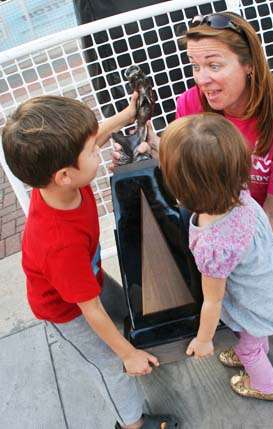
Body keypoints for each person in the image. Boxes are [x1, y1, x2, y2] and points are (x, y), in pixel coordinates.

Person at [111, 10, 273, 310]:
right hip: (212, 206)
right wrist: (149, 148)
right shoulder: (191, 102)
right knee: (198, 280)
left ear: (248, 65)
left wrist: (243, 262)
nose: (202, 79)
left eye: (214, 65)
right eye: (195, 66)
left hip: (266, 212)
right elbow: (183, 167)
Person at [2, 95, 178, 429]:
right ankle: (132, 423)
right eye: (92, 152)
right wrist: (126, 354)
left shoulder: (57, 180)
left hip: (89, 277)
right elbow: (90, 310)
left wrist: (127, 113)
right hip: (67, 312)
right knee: (109, 365)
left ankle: (138, 351)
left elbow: (93, 135)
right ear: (65, 175)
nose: (99, 148)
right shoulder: (59, 242)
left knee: (127, 312)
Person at [159, 112, 273, 400]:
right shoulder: (238, 192)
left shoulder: (213, 242)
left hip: (257, 303)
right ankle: (257, 346)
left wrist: (203, 339)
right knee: (256, 336)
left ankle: (264, 384)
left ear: (181, 186)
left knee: (248, 344)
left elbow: (213, 300)